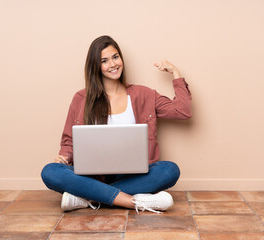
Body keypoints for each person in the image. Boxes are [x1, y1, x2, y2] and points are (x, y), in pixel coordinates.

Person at [41, 35, 192, 213]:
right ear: (95, 67)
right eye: (104, 61)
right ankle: (132, 201)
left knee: (169, 170)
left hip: (132, 175)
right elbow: (68, 141)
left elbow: (182, 111)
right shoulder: (81, 98)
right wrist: (64, 157)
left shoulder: (144, 94)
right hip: (93, 176)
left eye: (115, 57)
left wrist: (175, 73)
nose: (112, 64)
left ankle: (87, 197)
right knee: (50, 171)